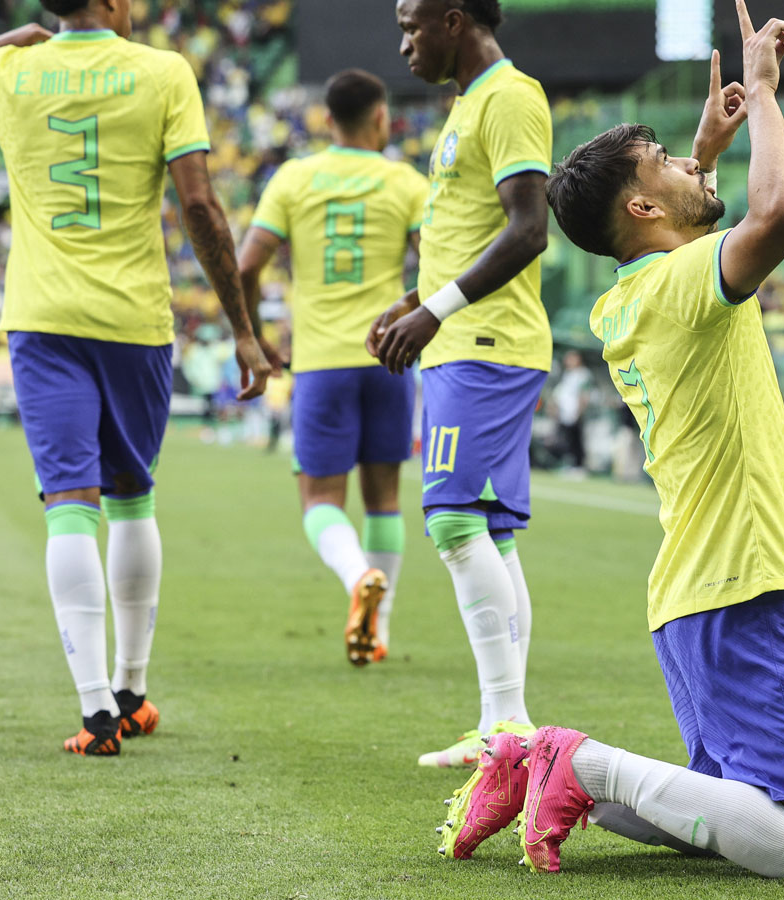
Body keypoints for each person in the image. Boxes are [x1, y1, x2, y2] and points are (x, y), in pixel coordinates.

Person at [438, 3, 784, 879]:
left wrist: (700, 159)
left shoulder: (628, 295)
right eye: (667, 163)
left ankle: (544, 775)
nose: (686, 162)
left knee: (742, 816)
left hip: (696, 592)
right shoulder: (676, 285)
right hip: (739, 586)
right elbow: (780, 212)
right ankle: (575, 759)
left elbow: (670, 228)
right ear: (640, 204)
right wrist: (769, 96)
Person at [0, 0, 270, 756]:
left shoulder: (10, 70)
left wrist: (0, 42)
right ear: (115, 3)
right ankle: (132, 692)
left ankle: (95, 717)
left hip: (44, 318)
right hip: (134, 322)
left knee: (69, 505)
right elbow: (200, 205)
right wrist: (242, 331)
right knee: (133, 498)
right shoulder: (164, 71)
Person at [366, 0, 552, 767]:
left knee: (449, 521)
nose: (402, 41)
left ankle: (506, 726)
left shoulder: (509, 96)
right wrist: (415, 301)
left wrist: (435, 310)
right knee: (491, 531)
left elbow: (528, 227)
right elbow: (477, 230)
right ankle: (503, 725)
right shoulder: (470, 105)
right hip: (468, 337)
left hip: (483, 342)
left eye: (411, 25)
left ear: (452, 19)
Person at [237, 69, 428, 666]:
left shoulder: (294, 179)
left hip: (320, 362)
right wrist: (412, 311)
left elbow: (246, 267)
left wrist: (256, 338)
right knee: (385, 499)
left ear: (326, 120)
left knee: (320, 499)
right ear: (381, 119)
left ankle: (356, 580)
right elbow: (442, 265)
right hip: (388, 357)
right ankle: (381, 630)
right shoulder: (405, 181)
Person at [550, 350, 592, 473]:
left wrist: (579, 411)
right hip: (565, 413)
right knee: (566, 439)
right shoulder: (568, 374)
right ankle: (570, 464)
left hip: (575, 413)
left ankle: (579, 467)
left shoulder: (583, 374)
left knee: (577, 439)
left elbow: (584, 394)